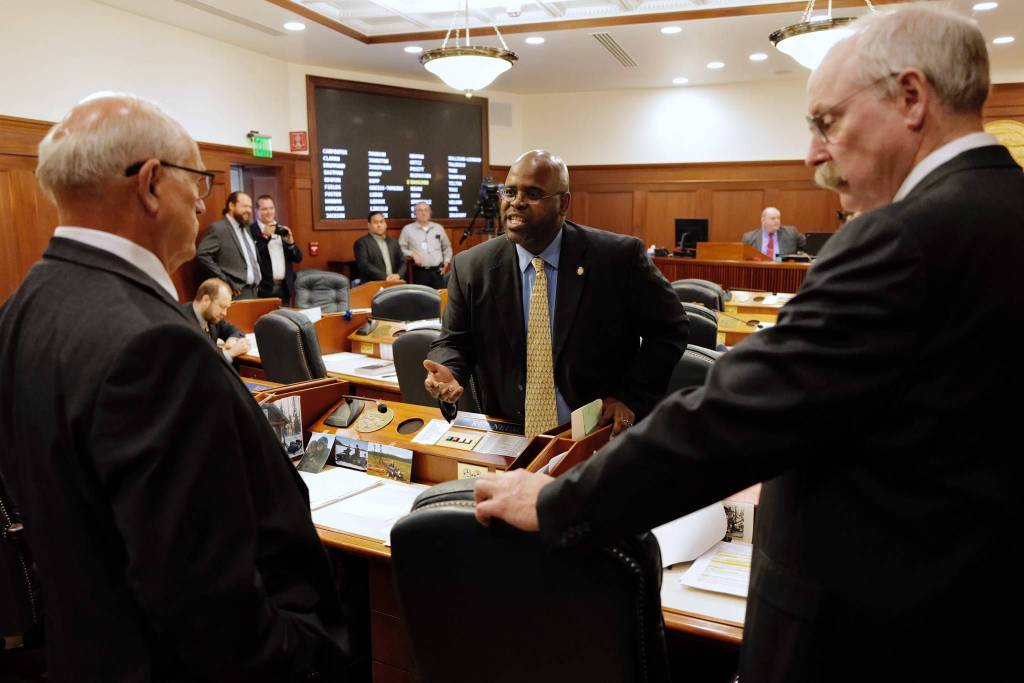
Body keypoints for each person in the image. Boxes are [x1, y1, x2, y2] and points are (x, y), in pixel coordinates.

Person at [473, 6, 1023, 682]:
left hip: (870, 634)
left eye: (827, 123)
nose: (812, 155)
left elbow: (733, 414)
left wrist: (556, 500)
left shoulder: (904, 240)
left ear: (912, 98)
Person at [0, 94, 349, 680]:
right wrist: (299, 654)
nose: (202, 199)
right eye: (200, 179)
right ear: (153, 183)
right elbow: (202, 594)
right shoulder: (153, 344)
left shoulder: (20, 309)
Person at [425, 150, 688, 437]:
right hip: (507, 434)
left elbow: (670, 329)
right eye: (509, 192)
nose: (516, 202)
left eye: (533, 194)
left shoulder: (617, 258)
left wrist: (630, 397)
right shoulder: (472, 266)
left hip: (596, 434)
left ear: (563, 204)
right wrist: (449, 369)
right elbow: (454, 341)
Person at [196, 191, 263, 299]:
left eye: (250, 207)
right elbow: (203, 255)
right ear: (231, 205)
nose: (249, 210)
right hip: (235, 292)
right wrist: (224, 280)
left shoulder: (246, 227)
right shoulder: (218, 228)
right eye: (245, 206)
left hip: (254, 291)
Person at [185, 277, 250, 364]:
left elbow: (235, 330)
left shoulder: (211, 317)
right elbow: (198, 365)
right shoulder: (183, 322)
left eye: (227, 308)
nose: (225, 313)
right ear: (206, 300)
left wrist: (232, 339)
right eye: (222, 307)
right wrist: (230, 353)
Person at [252, 194, 303, 303]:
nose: (269, 212)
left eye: (271, 208)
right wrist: (264, 237)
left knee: (284, 320)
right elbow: (253, 256)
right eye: (264, 209)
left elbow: (298, 258)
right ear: (256, 211)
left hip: (285, 289)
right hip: (262, 290)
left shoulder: (281, 229)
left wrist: (291, 243)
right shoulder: (251, 230)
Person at [399, 201, 451, 288]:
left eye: (426, 210)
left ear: (430, 213)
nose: (423, 213)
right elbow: (400, 248)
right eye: (419, 210)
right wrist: (412, 254)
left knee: (439, 298)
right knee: (421, 299)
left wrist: (446, 261)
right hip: (419, 272)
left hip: (437, 271)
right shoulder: (407, 229)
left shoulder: (438, 228)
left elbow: (447, 247)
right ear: (415, 213)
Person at [354, 210, 403, 283]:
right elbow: (364, 265)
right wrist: (385, 277)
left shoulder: (394, 242)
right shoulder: (361, 243)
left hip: (394, 283)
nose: (379, 225)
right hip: (372, 285)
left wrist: (398, 275)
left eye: (381, 222)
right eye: (375, 222)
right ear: (369, 225)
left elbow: (403, 262)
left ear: (386, 224)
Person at [741, 206, 806, 258]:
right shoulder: (749, 238)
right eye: (773, 218)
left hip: (784, 271)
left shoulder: (791, 233)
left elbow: (809, 247)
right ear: (763, 220)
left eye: (778, 218)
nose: (777, 221)